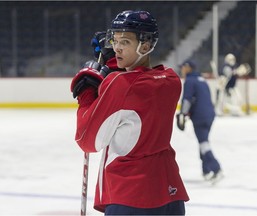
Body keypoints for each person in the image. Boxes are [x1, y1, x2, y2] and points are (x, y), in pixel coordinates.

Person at [70, 10, 189, 215]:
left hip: (131, 196)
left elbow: (86, 140)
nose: (116, 48)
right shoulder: (171, 80)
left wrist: (87, 95)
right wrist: (112, 64)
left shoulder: (119, 85)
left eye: (124, 42)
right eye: (115, 41)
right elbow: (140, 79)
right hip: (170, 194)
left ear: (145, 45)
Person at [176, 60, 223, 183]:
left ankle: (216, 168)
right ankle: (206, 170)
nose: (182, 70)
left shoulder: (189, 81)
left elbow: (187, 100)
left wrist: (182, 114)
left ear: (188, 68)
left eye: (183, 67)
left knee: (203, 143)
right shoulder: (202, 80)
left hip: (200, 117)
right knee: (203, 142)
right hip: (209, 115)